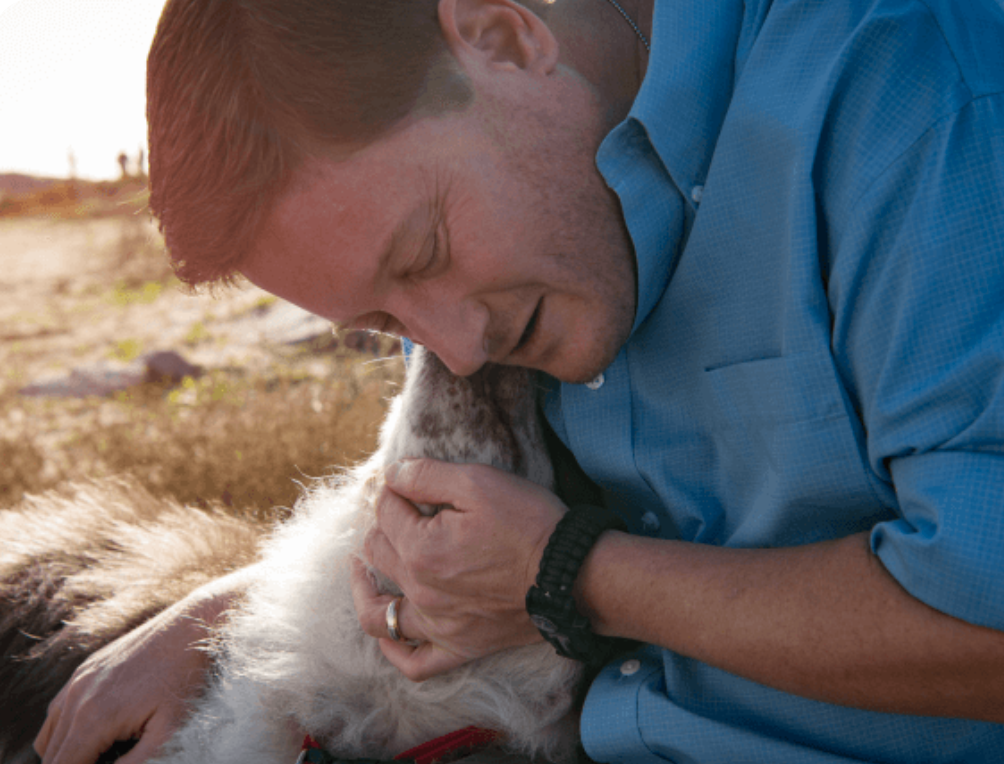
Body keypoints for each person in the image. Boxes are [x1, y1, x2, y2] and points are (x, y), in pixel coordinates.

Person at [34, 0, 1004, 761]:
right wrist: (224, 616)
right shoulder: (490, 267)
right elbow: (484, 516)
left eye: (424, 252)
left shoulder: (913, 96)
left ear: (502, 38)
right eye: (384, 325)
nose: (455, 350)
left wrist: (573, 574)